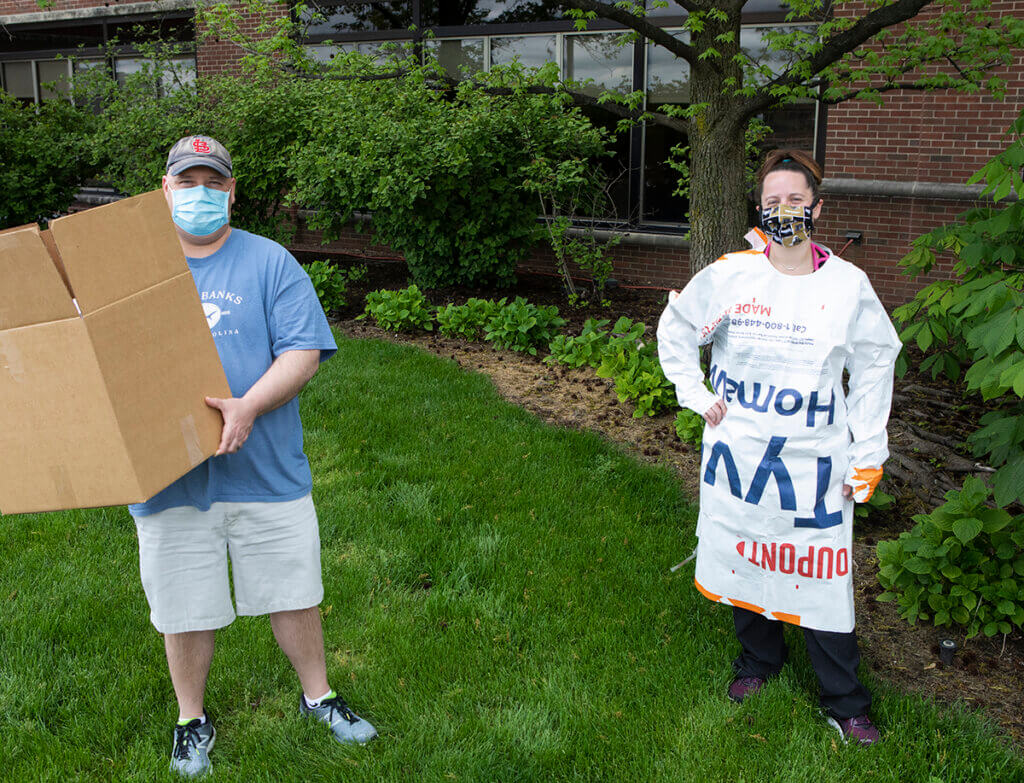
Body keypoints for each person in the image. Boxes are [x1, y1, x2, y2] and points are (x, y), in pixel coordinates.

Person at [130, 135, 376, 777]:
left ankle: (318, 697)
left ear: (233, 192)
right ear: (165, 190)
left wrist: (248, 407)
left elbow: (302, 351)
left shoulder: (270, 263)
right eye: (188, 183)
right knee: (183, 604)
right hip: (168, 478)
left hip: (267, 468)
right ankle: (192, 719)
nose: (200, 195)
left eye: (213, 183)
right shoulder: (132, 273)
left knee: (295, 592)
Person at [657, 149, 901, 745]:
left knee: (820, 573)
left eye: (795, 201)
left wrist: (869, 453)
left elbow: (875, 365)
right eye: (772, 202)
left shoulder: (849, 287)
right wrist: (695, 392)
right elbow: (678, 326)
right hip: (741, 459)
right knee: (747, 555)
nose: (784, 211)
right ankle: (758, 662)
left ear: (817, 208)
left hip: (814, 464)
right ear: (758, 210)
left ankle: (844, 701)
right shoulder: (730, 275)